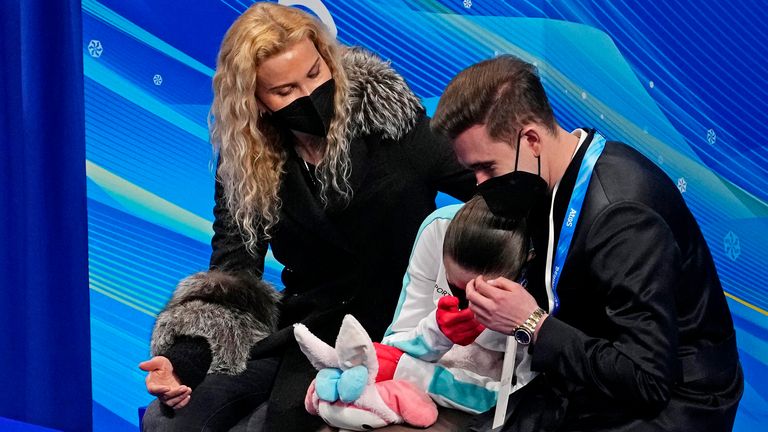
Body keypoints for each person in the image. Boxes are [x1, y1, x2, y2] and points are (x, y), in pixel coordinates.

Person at [139, 3, 474, 431]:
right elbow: (233, 271)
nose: (307, 95)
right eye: (284, 91)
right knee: (168, 422)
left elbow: (485, 182)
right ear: (257, 101)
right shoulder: (247, 162)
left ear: (327, 59)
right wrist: (185, 360)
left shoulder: (394, 125)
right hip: (307, 332)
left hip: (399, 336)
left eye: (315, 74)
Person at [430, 55, 743, 431]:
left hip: (679, 396)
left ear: (530, 139)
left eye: (486, 168)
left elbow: (647, 379)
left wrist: (531, 323)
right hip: (594, 365)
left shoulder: (623, 216)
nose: (479, 185)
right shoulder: (546, 173)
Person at [379, 195, 537, 416]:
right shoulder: (439, 228)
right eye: (455, 288)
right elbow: (389, 350)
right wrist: (436, 333)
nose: (469, 304)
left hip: (489, 400)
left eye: (484, 294)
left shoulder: (546, 272)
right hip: (439, 380)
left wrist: (425, 378)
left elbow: (523, 403)